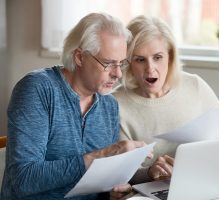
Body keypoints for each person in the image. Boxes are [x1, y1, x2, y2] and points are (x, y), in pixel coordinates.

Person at [0, 13, 145, 200]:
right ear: (79, 57)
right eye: (108, 64)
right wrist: (101, 155)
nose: (117, 74)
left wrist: (117, 189)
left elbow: (100, 183)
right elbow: (22, 179)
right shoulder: (37, 89)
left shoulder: (109, 105)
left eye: (121, 64)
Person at [113, 15, 219, 182]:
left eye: (157, 57)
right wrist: (150, 172)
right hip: (151, 191)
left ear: (170, 57)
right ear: (128, 62)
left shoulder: (194, 85)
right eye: (140, 60)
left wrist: (202, 152)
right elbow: (121, 172)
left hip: (201, 178)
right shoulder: (115, 104)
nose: (150, 69)